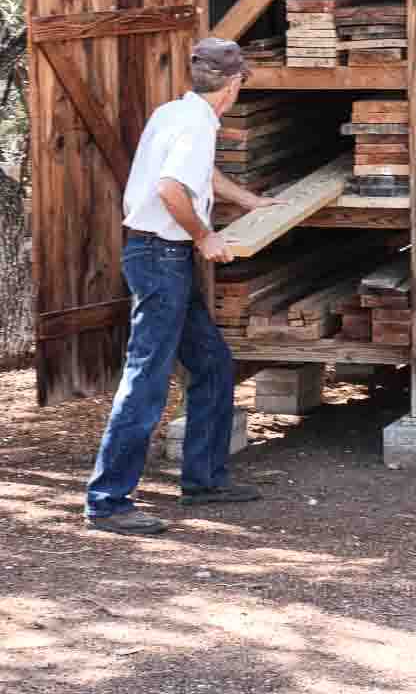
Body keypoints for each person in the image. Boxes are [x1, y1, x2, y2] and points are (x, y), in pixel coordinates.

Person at [85, 37, 275, 536]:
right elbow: (171, 188)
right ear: (233, 85)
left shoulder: (174, 113)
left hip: (162, 257)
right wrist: (204, 236)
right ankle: (107, 502)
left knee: (213, 362)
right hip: (161, 257)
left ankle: (204, 480)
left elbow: (197, 176)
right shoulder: (194, 125)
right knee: (146, 380)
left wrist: (248, 199)